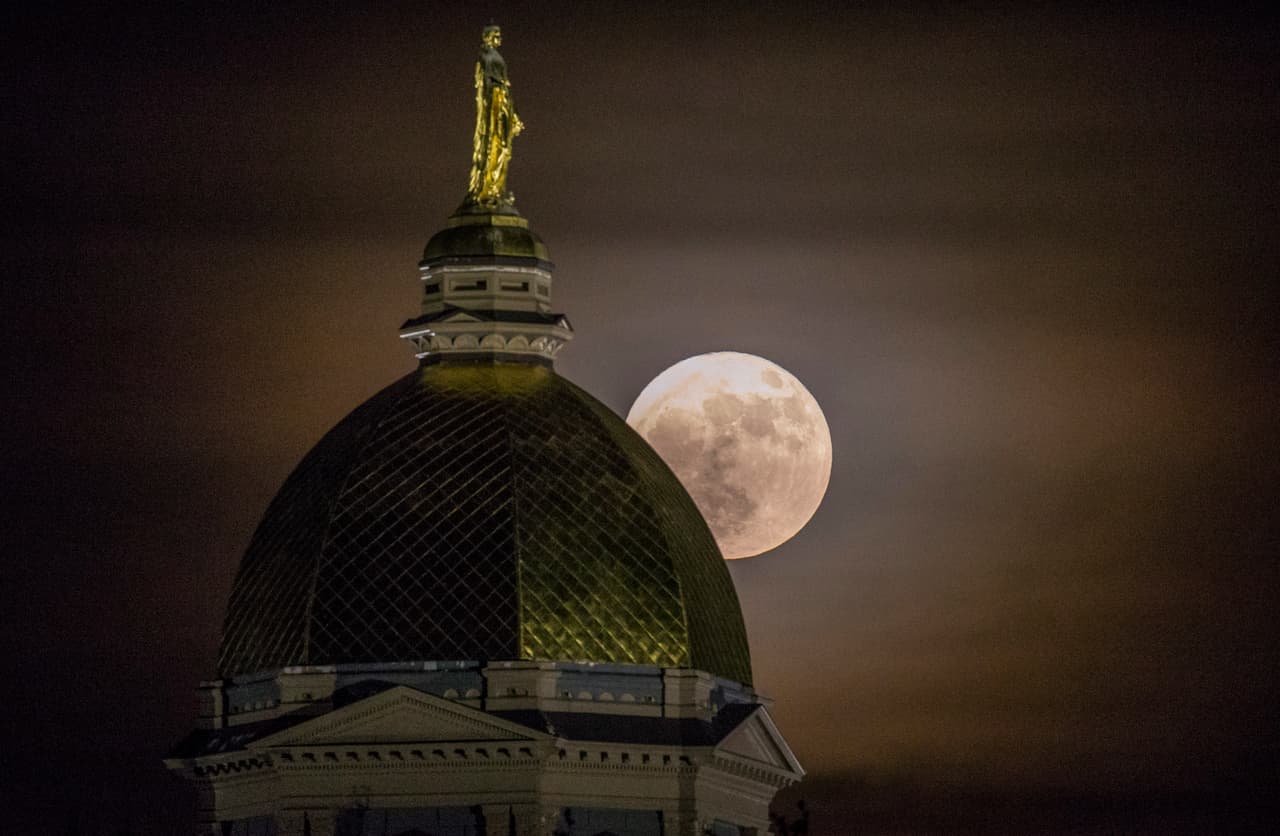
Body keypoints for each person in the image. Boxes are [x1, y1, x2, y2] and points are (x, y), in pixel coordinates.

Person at [467, 25, 523, 207]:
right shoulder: (485, 57)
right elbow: (485, 85)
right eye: (496, 35)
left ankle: (497, 189)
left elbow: (505, 85)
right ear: (488, 37)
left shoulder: (494, 57)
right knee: (494, 144)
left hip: (503, 102)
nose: (500, 38)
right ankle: (488, 190)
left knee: (504, 148)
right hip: (494, 104)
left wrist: (513, 115)